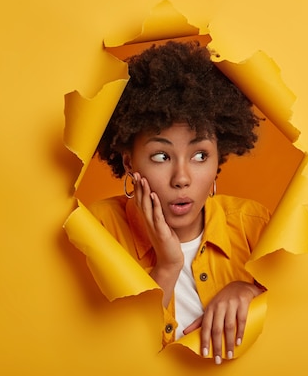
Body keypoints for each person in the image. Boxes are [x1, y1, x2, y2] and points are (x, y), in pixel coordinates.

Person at [89, 40, 269, 365]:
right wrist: (167, 266)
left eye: (200, 155)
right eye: (161, 156)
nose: (182, 178)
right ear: (129, 163)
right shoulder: (98, 232)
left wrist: (250, 292)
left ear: (218, 160)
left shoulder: (254, 225)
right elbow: (111, 359)